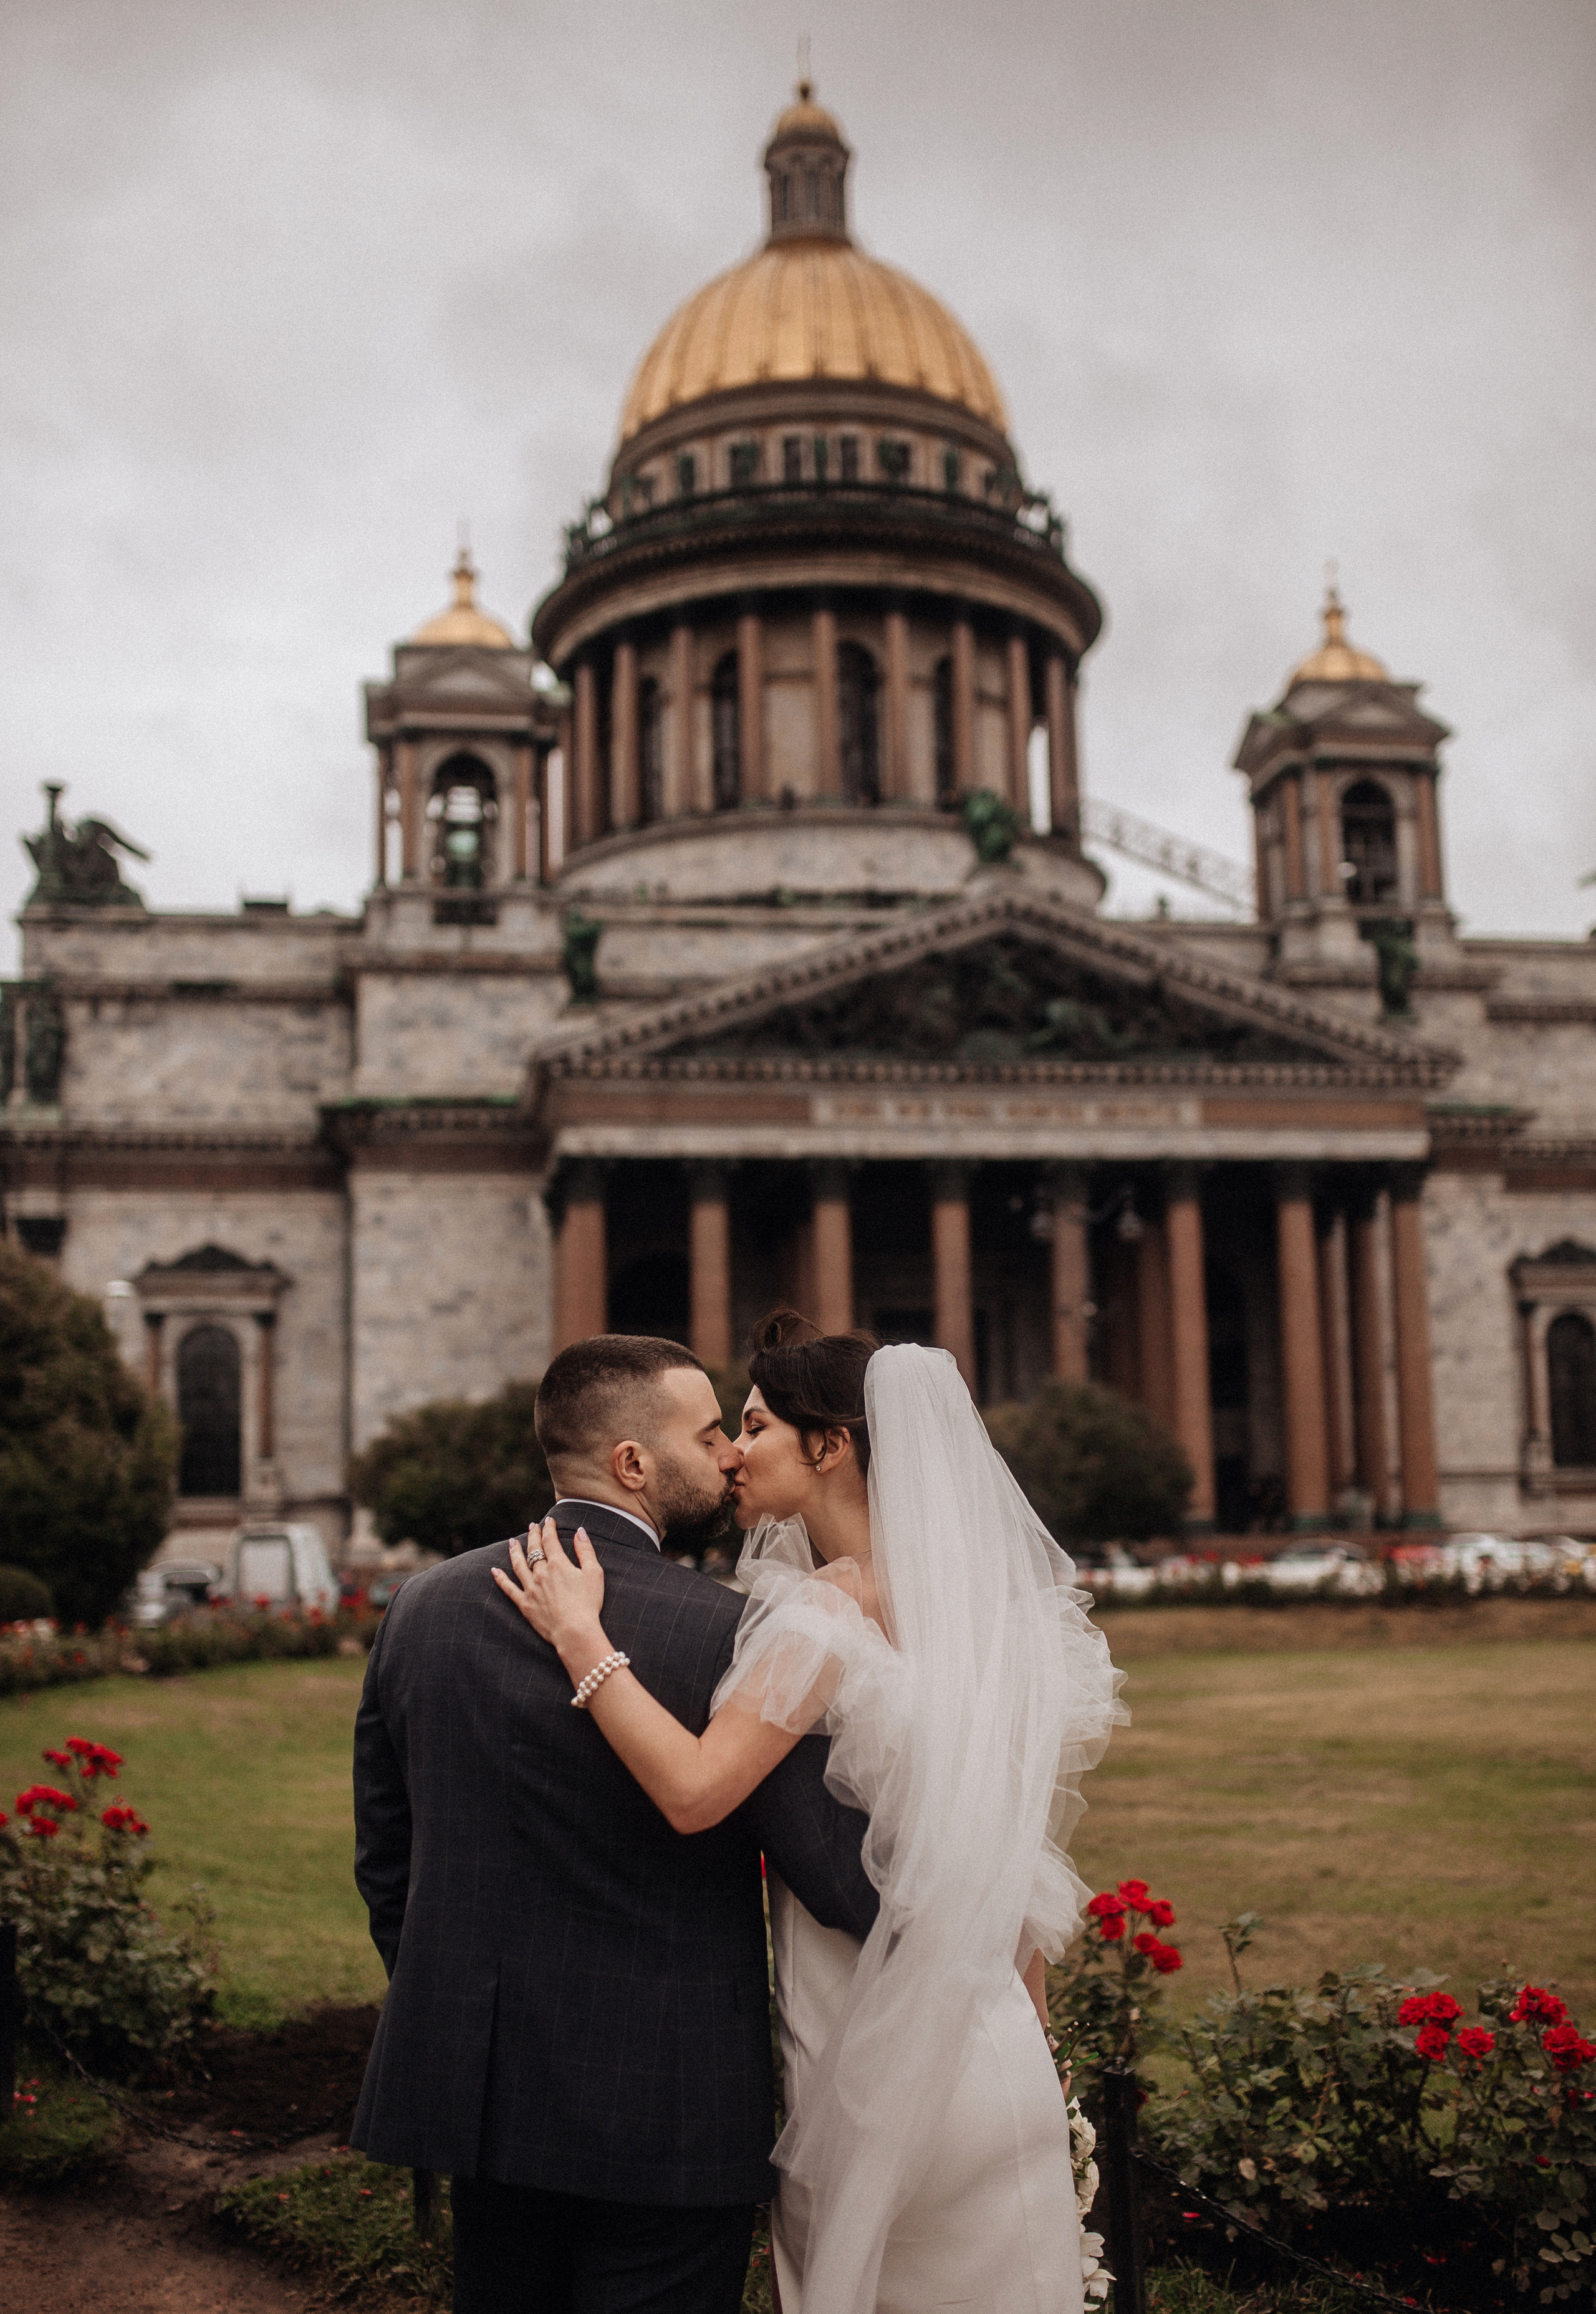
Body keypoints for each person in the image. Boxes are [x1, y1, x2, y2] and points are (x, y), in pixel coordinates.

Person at [498, 1313, 1127, 2314]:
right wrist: (1041, 2058)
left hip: (870, 2053)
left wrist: (584, 1642)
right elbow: (1013, 1862)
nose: (732, 1454)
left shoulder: (823, 1612)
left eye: (753, 1426)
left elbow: (697, 1792)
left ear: (830, 1446)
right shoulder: (994, 1620)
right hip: (992, 2044)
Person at [350, 1332, 880, 2314]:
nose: (730, 1453)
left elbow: (386, 1861)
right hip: (668, 2109)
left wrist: (470, 2010)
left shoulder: (420, 1608)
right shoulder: (731, 1635)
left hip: (480, 2097)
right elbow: (837, 1875)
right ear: (633, 1463)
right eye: (711, 1430)